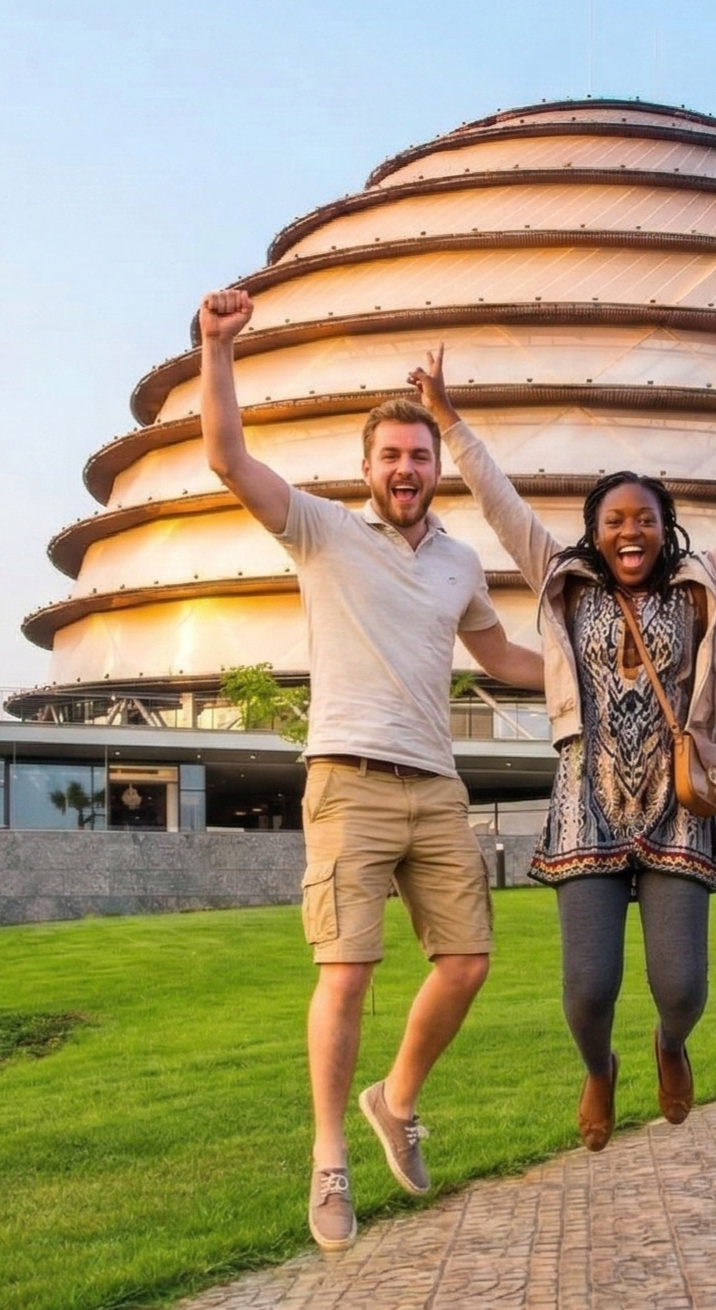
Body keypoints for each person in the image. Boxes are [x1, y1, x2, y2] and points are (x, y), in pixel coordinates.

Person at [414, 349, 716, 1151]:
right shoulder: (561, 576)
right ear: (594, 532)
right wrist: (446, 417)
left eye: (643, 519)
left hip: (678, 803)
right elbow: (500, 505)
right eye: (613, 520)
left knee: (681, 986)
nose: (629, 531)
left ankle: (670, 1048)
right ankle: (598, 1066)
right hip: (586, 803)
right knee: (587, 986)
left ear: (663, 527)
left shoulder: (701, 577)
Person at [196, 289, 545, 1252]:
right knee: (344, 975)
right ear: (366, 468)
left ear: (436, 469)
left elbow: (503, 659)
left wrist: (595, 670)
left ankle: (393, 1098)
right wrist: (216, 348)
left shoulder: (460, 561)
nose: (406, 468)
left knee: (467, 962)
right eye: (390, 456)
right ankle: (328, 1159)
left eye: (419, 456)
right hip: (346, 777)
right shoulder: (320, 530)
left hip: (434, 783)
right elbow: (227, 458)